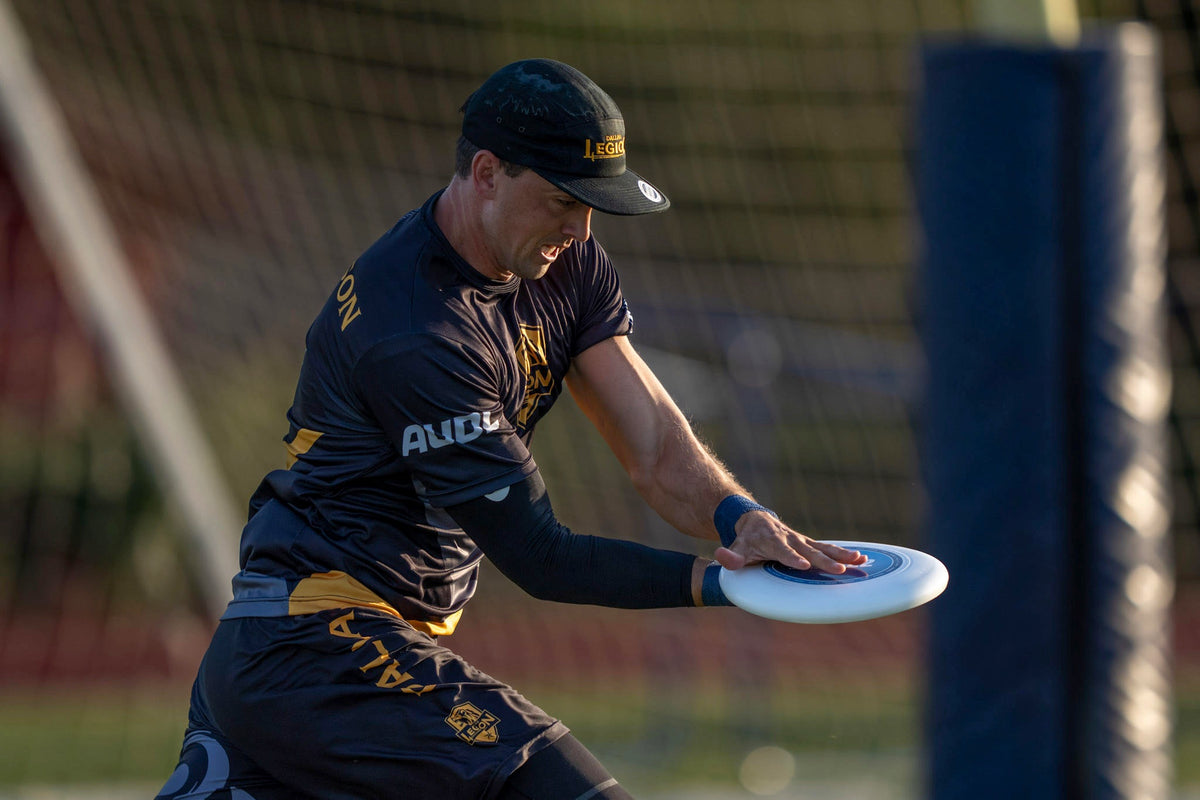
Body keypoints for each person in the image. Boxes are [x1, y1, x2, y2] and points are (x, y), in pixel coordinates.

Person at [156, 58, 866, 800]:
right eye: (563, 200)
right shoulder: (417, 333)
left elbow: (654, 446)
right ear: (488, 173)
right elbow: (541, 558)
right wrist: (728, 585)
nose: (582, 228)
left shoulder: (566, 260)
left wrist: (740, 518)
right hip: (315, 649)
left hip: (317, 658)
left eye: (594, 206)